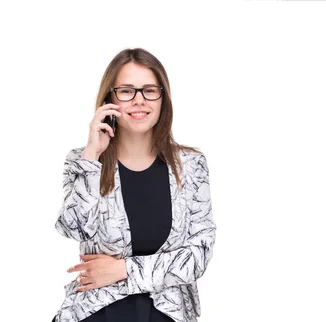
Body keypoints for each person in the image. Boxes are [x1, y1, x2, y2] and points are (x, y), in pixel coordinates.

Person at [51, 48, 217, 322]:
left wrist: (124, 270)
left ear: (163, 98)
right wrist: (92, 157)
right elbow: (74, 227)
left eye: (150, 90)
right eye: (127, 91)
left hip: (166, 313)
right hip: (97, 313)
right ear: (110, 99)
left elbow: (198, 255)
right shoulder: (83, 160)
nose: (139, 100)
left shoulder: (191, 165)